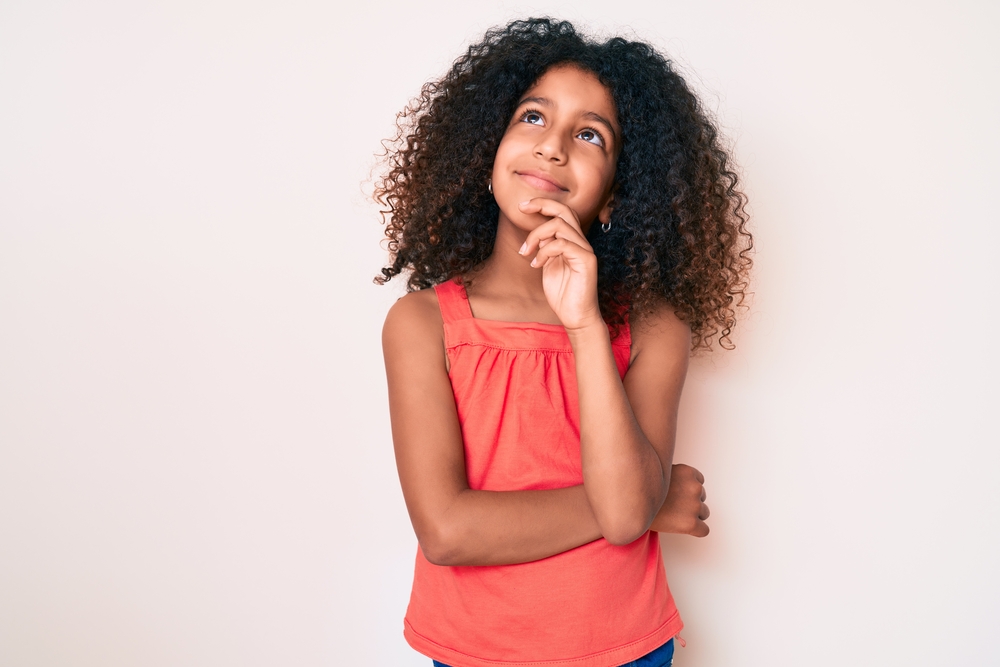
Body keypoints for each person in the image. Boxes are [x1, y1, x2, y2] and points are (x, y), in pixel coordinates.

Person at [376, 18, 752, 667]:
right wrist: (639, 501)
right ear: (485, 148)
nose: (552, 147)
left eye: (588, 135)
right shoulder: (422, 324)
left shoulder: (654, 327)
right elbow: (446, 530)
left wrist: (584, 325)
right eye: (532, 117)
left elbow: (626, 511)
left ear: (613, 194)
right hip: (475, 652)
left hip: (627, 648)